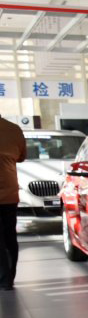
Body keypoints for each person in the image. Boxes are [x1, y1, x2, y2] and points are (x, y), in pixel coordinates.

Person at [0, 114, 26, 291]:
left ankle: (4, 279)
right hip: (10, 193)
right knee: (10, 236)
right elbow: (21, 156)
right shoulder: (14, 129)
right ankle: (9, 277)